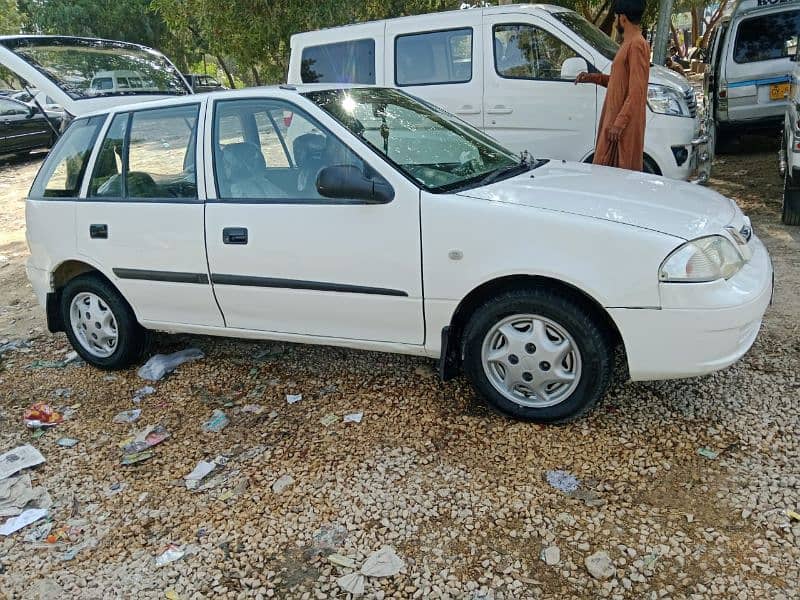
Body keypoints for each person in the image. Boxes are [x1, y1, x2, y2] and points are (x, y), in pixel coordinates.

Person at [575, 0, 649, 171]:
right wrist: (592, 78)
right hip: (614, 122)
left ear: (622, 18)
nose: (615, 21)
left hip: (621, 129)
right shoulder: (628, 43)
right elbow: (620, 83)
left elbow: (636, 90)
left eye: (615, 17)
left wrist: (619, 123)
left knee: (617, 179)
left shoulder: (637, 44)